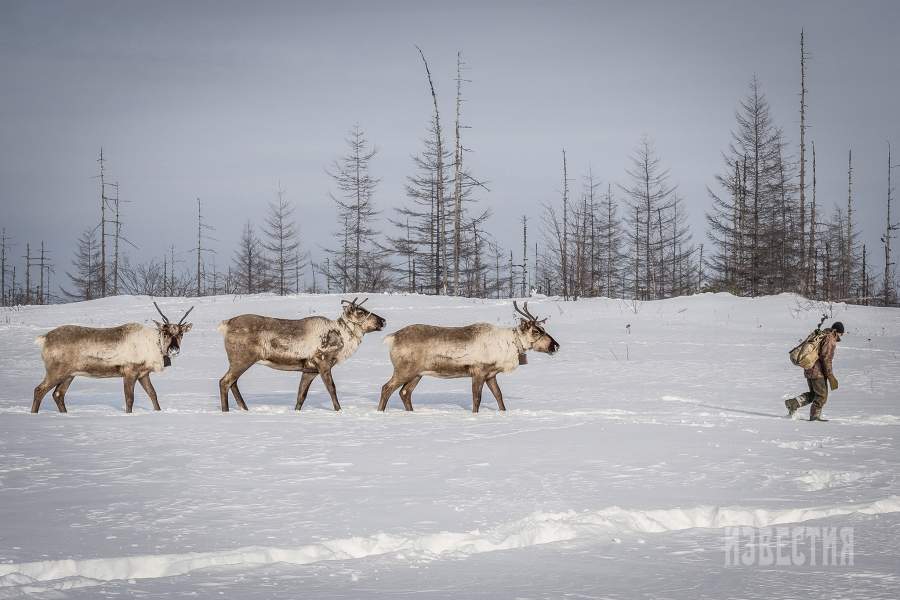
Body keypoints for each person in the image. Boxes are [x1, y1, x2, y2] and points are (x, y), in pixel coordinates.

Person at [785, 322, 844, 421]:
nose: (841, 336)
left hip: (809, 367)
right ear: (838, 332)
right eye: (841, 334)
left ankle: (793, 403)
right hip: (818, 371)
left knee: (814, 394)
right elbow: (826, 357)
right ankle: (815, 417)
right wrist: (830, 375)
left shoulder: (822, 334)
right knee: (822, 395)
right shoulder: (830, 338)